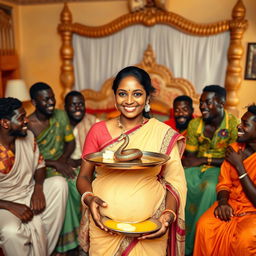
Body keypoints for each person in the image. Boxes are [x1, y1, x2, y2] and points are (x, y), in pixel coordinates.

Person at [76, 66, 187, 256]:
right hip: (104, 226)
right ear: (115, 96)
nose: (129, 101)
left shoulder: (162, 133)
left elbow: (175, 182)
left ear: (147, 98)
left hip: (150, 225)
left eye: (137, 94)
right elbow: (83, 177)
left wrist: (167, 216)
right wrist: (89, 198)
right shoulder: (98, 130)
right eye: (122, 94)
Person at [0, 97, 68, 256]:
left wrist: (38, 189)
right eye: (21, 118)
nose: (27, 120)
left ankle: (44, 251)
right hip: (3, 202)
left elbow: (40, 165)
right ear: (5, 123)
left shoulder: (28, 137)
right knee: (10, 232)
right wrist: (11, 205)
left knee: (59, 184)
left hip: (27, 191)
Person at [182, 85, 238, 255]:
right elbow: (190, 158)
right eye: (201, 102)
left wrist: (204, 159)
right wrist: (200, 161)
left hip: (222, 169)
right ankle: (179, 240)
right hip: (197, 167)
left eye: (208, 102)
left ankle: (194, 243)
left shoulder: (233, 124)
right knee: (181, 180)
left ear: (222, 103)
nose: (203, 106)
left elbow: (233, 159)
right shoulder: (194, 124)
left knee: (210, 186)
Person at [194, 105, 256, 256]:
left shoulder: (236, 157)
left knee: (244, 239)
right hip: (231, 204)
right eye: (240, 121)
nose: (238, 126)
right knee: (204, 225)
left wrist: (239, 166)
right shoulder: (234, 148)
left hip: (253, 211)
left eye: (245, 124)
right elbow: (224, 183)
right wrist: (223, 203)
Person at [28, 82, 80, 255]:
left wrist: (63, 160)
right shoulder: (28, 125)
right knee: (66, 186)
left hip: (62, 162)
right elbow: (31, 160)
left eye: (53, 97)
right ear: (34, 102)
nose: (52, 102)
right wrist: (56, 164)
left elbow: (70, 142)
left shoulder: (60, 115)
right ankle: (64, 246)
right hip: (42, 169)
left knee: (81, 180)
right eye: (46, 99)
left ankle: (84, 238)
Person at [64, 90, 98, 168]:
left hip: (90, 165)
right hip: (65, 166)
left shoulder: (94, 122)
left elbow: (103, 151)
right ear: (65, 107)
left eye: (81, 104)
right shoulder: (60, 124)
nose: (78, 108)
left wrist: (78, 162)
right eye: (73, 105)